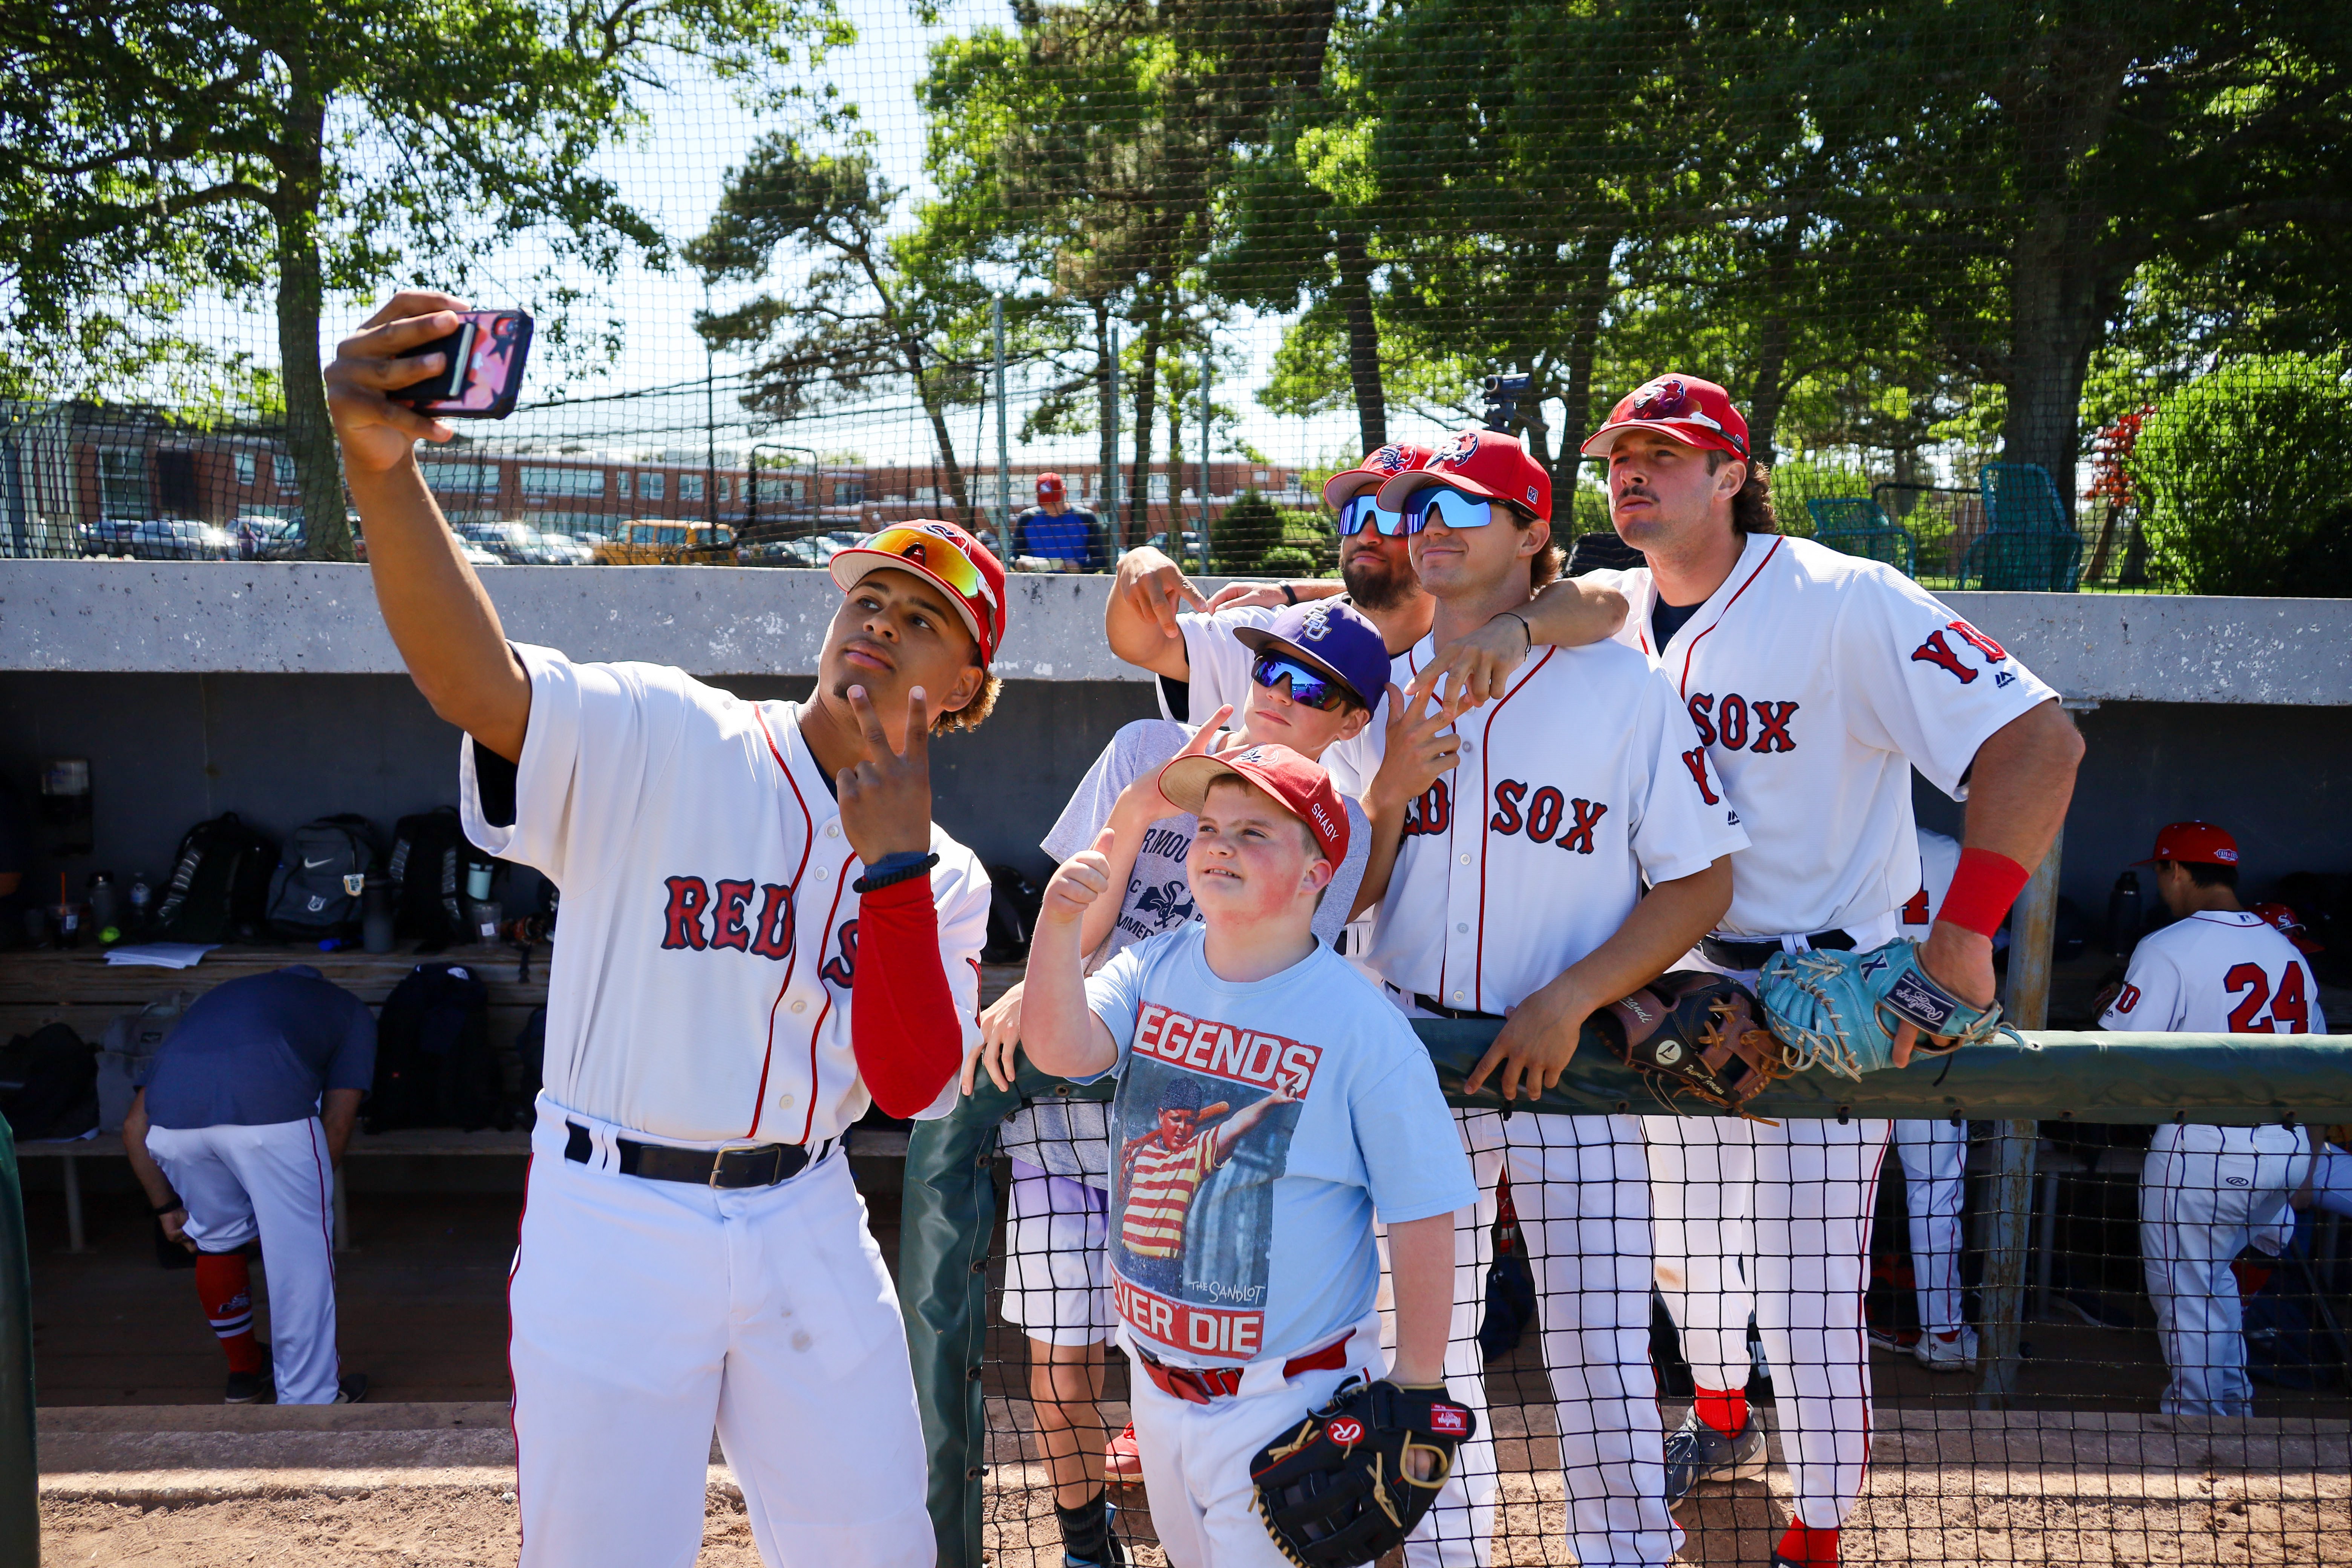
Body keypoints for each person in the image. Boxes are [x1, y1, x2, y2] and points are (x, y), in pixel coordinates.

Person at [324, 291, 1002, 1567]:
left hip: (806, 1217)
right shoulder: (672, 730)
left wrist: (896, 870)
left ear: (962, 690)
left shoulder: (951, 879)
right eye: (869, 597)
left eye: (922, 622)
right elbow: (475, 682)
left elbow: (915, 1085)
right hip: (615, 1216)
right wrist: (384, 477)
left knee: (878, 1548)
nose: (879, 624)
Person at [1569, 373, 2082, 1567]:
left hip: (1822, 994)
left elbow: (2039, 738)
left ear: (1733, 472)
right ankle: (1717, 1408)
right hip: (1678, 980)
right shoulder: (1617, 612)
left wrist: (1962, 932)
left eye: (1666, 451)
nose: (1632, 471)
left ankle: (1816, 1534)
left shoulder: (1845, 598)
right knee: (1679, 1254)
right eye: (1618, 453)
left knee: (1809, 1294)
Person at [963, 599, 1426, 1557]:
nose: (1276, 693)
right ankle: (1087, 1533)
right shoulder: (1150, 751)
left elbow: (1298, 950)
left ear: (1351, 720)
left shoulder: (1322, 822)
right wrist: (1059, 946)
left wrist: (1418, 1385)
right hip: (1087, 1096)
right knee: (1064, 1373)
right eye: (1268, 669)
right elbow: (1078, 932)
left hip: (1198, 1140)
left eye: (1311, 686)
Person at [1360, 428, 1748, 1568]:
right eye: (1417, 504)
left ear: (1534, 534)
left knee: (1600, 1337)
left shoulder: (1620, 686)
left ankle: (1627, 1547)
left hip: (1572, 1056)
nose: (1429, 520)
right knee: (1416, 1332)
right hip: (1413, 1042)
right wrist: (1383, 800)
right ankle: (1439, 1549)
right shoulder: (1375, 678)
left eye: (1465, 505)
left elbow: (1702, 879)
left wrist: (1574, 996)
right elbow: (1345, 892)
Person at [1018, 743, 1476, 1567]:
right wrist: (1058, 927)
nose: (1220, 844)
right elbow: (1060, 1047)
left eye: (1256, 831)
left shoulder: (1361, 1025)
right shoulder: (1155, 961)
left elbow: (1422, 1207)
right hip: (1155, 1387)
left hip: (1290, 1402)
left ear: (1317, 874)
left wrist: (1417, 1379)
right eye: (1210, 827)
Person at [1104, 443, 1629, 794]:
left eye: (1394, 517)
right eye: (1355, 515)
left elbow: (1606, 600)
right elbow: (1145, 642)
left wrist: (1515, 627)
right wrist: (1137, 563)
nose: (1368, 534)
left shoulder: (1478, 632)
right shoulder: (1293, 634)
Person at [2100, 821, 2324, 1418]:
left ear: (2177, 872)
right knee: (2215, 1281)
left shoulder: (2168, 945)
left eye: (2163, 875)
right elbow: (2324, 1070)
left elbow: (2113, 1057)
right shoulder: (2285, 950)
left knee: (2187, 1293)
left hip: (2206, 1145)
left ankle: (2201, 1423)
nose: (2163, 888)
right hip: (2285, 1145)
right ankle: (2232, 1406)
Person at [119, 964, 374, 1405]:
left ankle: (244, 1374)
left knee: (216, 1240)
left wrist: (165, 1208)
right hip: (270, 1118)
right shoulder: (349, 1011)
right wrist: (295, 1204)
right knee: (299, 1255)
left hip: (172, 1128)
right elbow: (336, 1122)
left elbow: (132, 1126)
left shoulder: (214, 1003)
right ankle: (309, 1398)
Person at [1884, 828, 1975, 1372]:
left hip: (1848, 1036)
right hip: (1931, 1037)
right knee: (1936, 1195)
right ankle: (1941, 1335)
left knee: (1826, 1202)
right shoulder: (1952, 854)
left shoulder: (1839, 833)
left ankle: (1816, 1340)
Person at [1017, 473, 1110, 573]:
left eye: (1055, 501)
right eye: (1046, 502)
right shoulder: (1027, 518)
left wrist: (1081, 568)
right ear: (1038, 497)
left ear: (1064, 491)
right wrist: (1018, 564)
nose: (1051, 506)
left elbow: (1100, 559)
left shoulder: (1086, 517)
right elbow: (1013, 556)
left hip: (1076, 585)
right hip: (1035, 584)